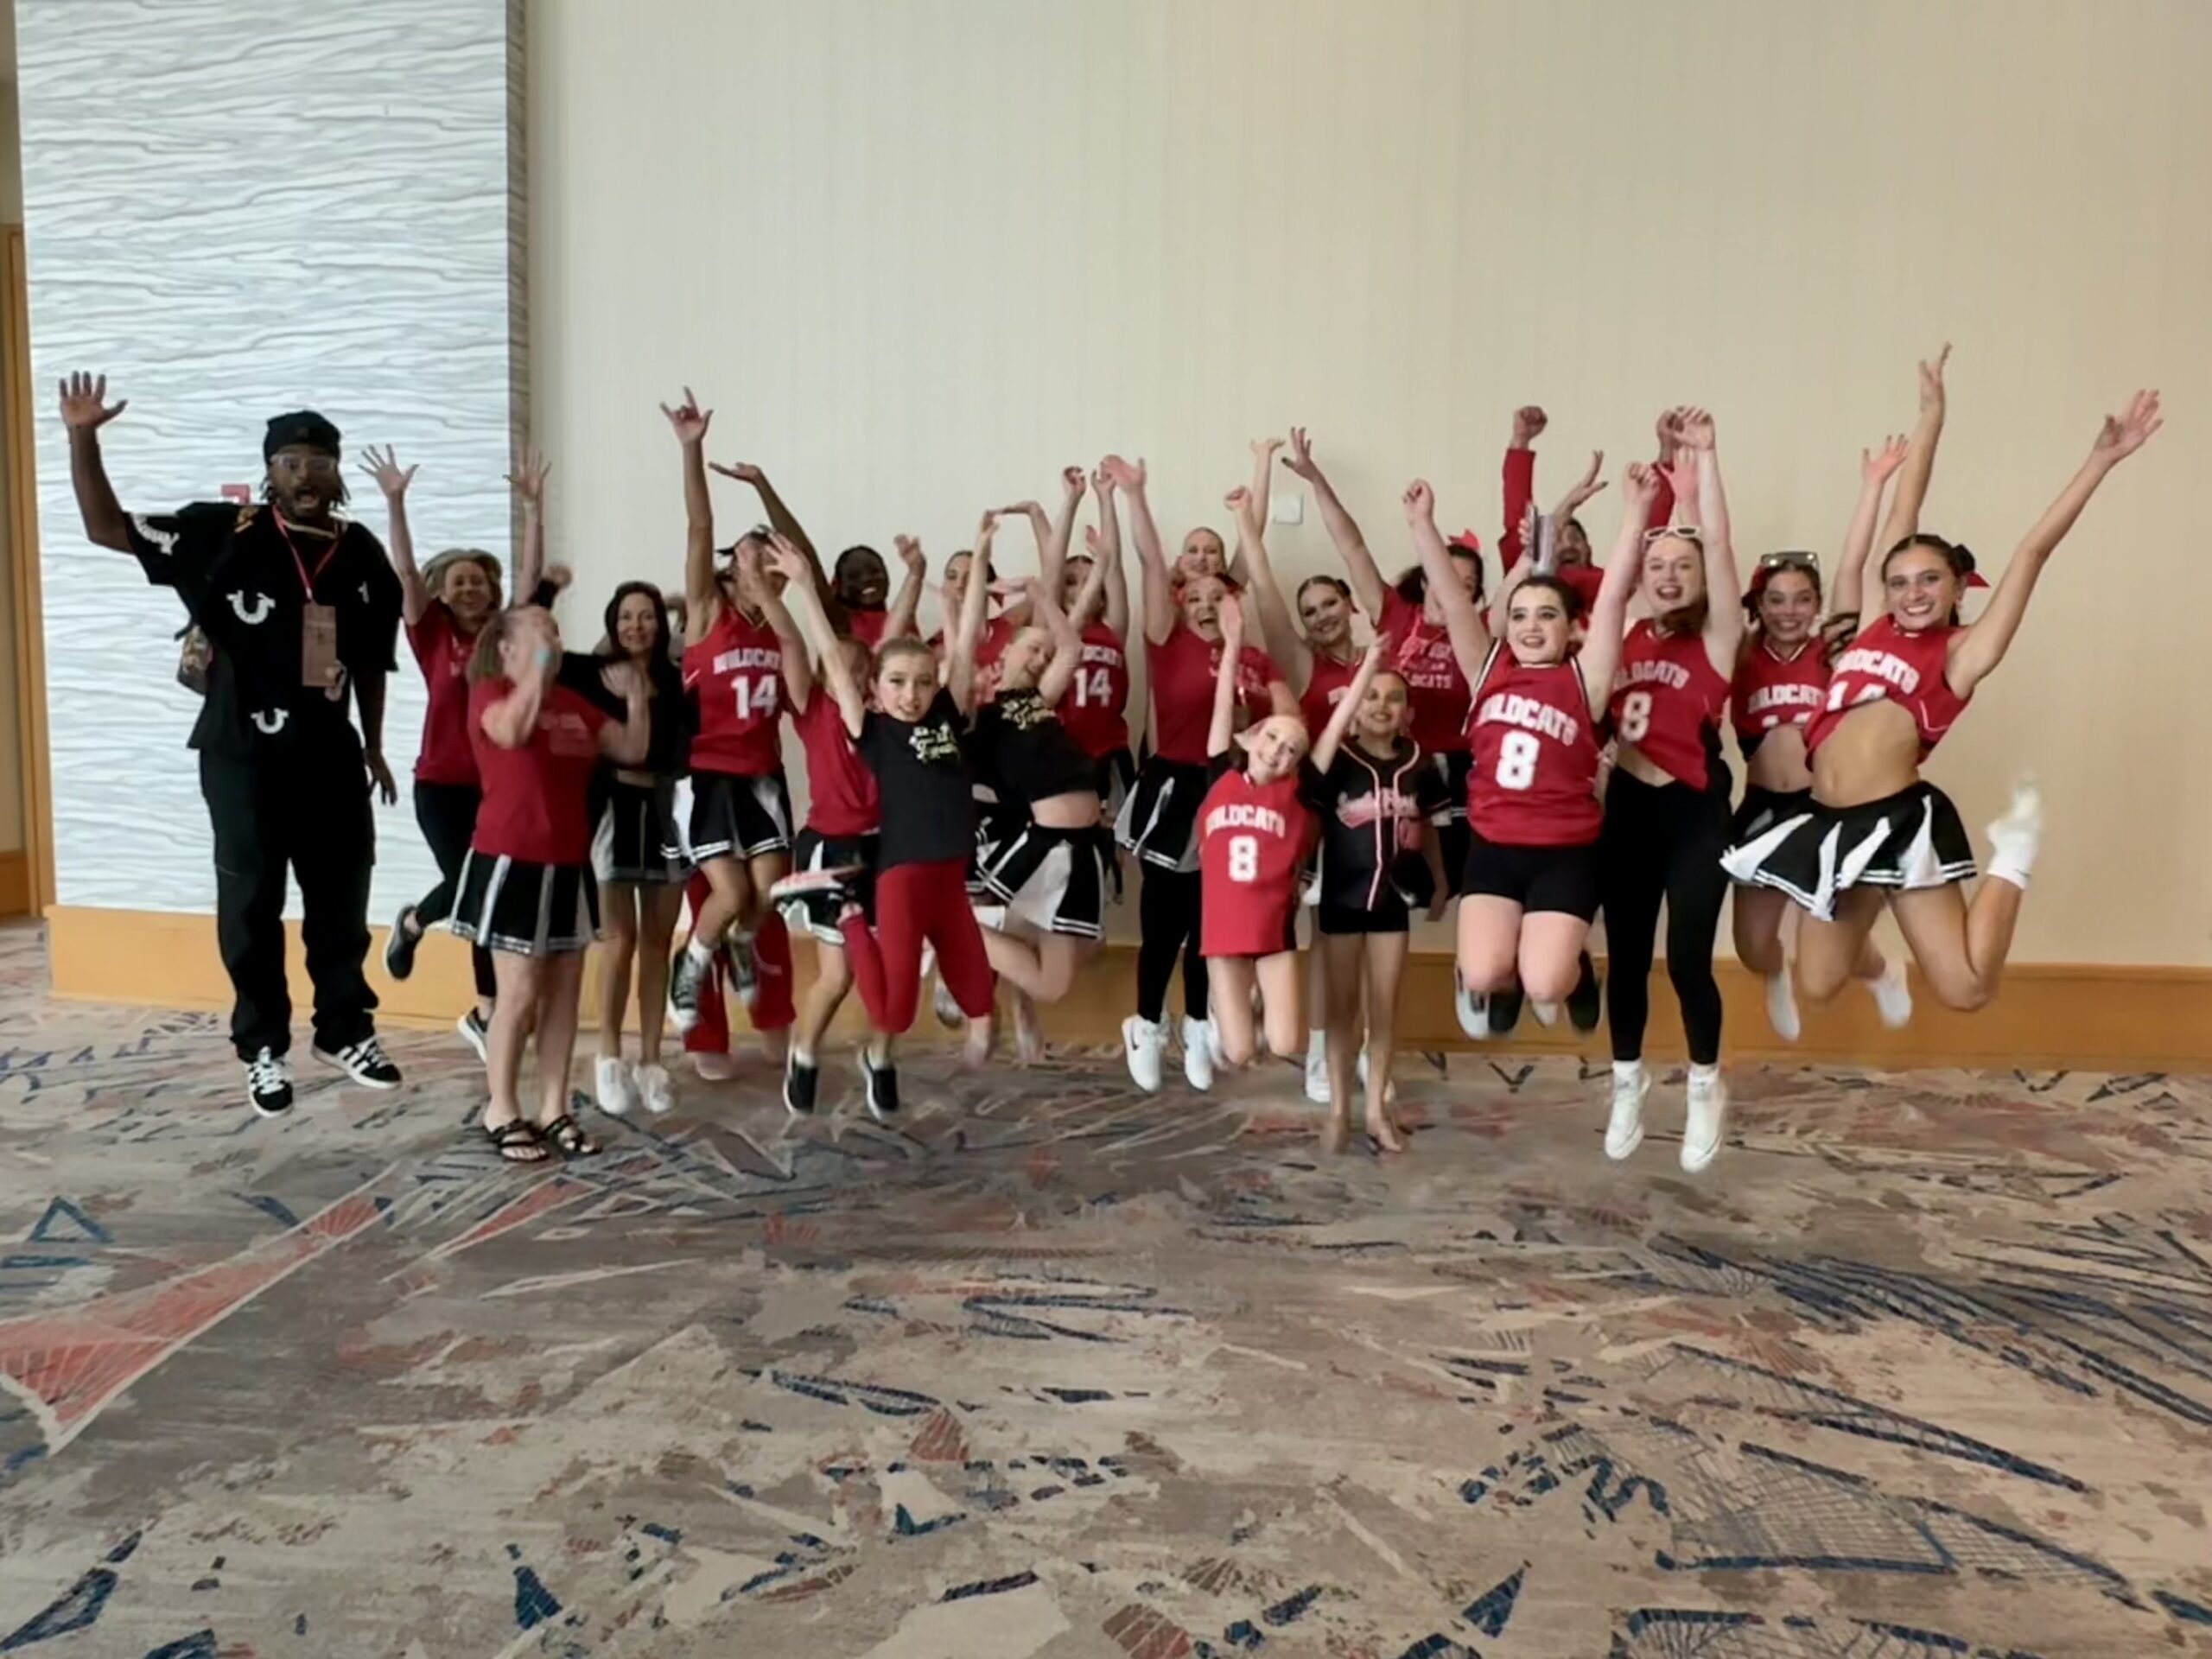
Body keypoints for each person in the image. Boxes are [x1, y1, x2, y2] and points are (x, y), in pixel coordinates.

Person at [1726, 363, 2162, 1018]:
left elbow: (2032, 552)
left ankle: (2014, 855)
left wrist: (2099, 461)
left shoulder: (1961, 654)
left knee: (1966, 990)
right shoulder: (1872, 624)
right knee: (1815, 984)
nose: (1913, 594)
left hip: (1899, 822)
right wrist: (1932, 415)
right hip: (1830, 823)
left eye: (1930, 580)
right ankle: (1874, 903)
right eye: (1900, 581)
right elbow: (1906, 504)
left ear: (1957, 586)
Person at [60, 371, 404, 1116]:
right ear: (270, 471)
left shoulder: (362, 554)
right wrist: (82, 438)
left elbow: (373, 663)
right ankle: (262, 1046)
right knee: (250, 900)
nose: (305, 475)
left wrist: (374, 746)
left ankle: (345, 1029)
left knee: (343, 896)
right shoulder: (221, 533)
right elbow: (105, 527)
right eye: (290, 462)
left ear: (337, 472)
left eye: (319, 462)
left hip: (330, 754)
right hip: (241, 752)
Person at [1281, 427, 1503, 1037]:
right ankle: (1335, 1035)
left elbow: (1527, 573)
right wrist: (1316, 479)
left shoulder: (1479, 633)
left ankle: (1476, 968)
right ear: (1424, 578)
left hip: (1455, 769)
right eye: (1442, 576)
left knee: (1470, 877)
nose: (1451, 589)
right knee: (1366, 892)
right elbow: (1350, 544)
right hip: (1381, 768)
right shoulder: (1395, 614)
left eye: (1465, 584)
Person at [1410, 462, 1636, 1048]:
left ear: (1570, 627)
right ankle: (1500, 977)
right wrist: (1423, 525)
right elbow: (1455, 602)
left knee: (1546, 985)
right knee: (1485, 973)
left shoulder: (1585, 680)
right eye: (1519, 615)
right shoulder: (1489, 670)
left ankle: (1576, 970)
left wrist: (1636, 514)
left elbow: (1614, 597)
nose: (1531, 626)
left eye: (1547, 615)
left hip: (1565, 852)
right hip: (1495, 847)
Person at [1108, 454, 1297, 1094]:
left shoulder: (1255, 657)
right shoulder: (1166, 639)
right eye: (1197, 596)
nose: (1208, 604)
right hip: (1173, 786)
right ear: (1181, 598)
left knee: (1207, 920)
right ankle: (1145, 1022)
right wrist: (1136, 495)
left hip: (1231, 793)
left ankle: (1196, 1021)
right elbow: (1149, 564)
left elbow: (1286, 721)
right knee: (1164, 920)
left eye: (1220, 596)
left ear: (1233, 600)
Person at [810, 524, 1002, 1118]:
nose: (911, 694)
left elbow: (966, 643)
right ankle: (849, 917)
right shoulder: (872, 730)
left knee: (979, 1001)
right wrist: (803, 589)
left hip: (950, 882)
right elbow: (833, 662)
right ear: (874, 690)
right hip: (902, 879)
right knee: (893, 1014)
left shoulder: (947, 712)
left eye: (922, 682)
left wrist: (983, 549)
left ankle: (898, 1047)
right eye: (897, 683)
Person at [366, 444, 548, 1061]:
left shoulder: (505, 637)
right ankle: (428, 939)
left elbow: (531, 584)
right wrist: (396, 502)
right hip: (441, 785)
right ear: (443, 593)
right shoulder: (432, 634)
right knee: (474, 886)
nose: (470, 588)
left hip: (498, 787)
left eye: (478, 580)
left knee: (485, 894)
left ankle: (479, 1006)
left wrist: (534, 509)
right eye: (459, 582)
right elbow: (404, 572)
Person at [1728, 437, 1914, 1040]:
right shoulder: (1738, 654)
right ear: (1759, 603)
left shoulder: (1833, 650)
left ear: (1815, 605)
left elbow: (1853, 568)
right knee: (1752, 945)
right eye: (1776, 600)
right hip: (1762, 806)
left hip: (1823, 809)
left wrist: (1873, 486)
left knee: (1832, 938)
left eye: (1802, 599)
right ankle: (1773, 975)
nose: (1789, 610)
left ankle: (1882, 972)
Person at [1597, 409, 1743, 1173]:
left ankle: (1705, 1086)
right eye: (1658, 566)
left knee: (1686, 960)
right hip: (1627, 807)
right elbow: (1629, 561)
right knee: (1625, 957)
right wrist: (1657, 481)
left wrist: (1706, 461)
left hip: (1693, 811)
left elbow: (1714, 542)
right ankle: (1627, 1083)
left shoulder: (1718, 637)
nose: (1669, 575)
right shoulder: (1621, 629)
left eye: (1682, 567)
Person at [451, 606, 649, 1161]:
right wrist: (537, 668)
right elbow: (511, 732)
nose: (554, 639)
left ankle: (554, 1107)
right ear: (507, 648)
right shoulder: (490, 692)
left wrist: (636, 696)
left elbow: (631, 749)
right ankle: (501, 1108)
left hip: (569, 862)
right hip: (512, 860)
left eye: (556, 632)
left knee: (564, 989)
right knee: (518, 991)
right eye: (540, 631)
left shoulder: (572, 703)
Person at [659, 391, 800, 1054]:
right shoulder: (707, 612)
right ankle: (690, 969)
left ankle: (740, 944)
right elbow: (697, 527)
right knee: (729, 891)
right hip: (709, 773)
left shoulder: (780, 622)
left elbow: (798, 551)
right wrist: (693, 450)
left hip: (763, 774)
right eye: (749, 553)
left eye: (768, 555)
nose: (760, 559)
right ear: (733, 564)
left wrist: (769, 499)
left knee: (769, 894)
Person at [1300, 631, 1446, 1154]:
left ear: (1408, 711)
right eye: (1371, 696)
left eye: (1394, 697)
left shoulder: (1420, 763)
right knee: (1342, 1011)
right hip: (1342, 899)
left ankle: (1377, 1112)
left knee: (1383, 1008)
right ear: (1354, 707)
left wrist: (1440, 882)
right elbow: (1310, 818)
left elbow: (1429, 828)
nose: (1382, 706)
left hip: (1392, 902)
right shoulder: (1337, 759)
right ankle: (1339, 1112)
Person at [967, 561, 1118, 1054]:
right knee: (1002, 923)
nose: (1041, 657)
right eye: (1031, 648)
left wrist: (1039, 591)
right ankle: (950, 935)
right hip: (1041, 844)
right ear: (1003, 652)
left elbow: (1070, 646)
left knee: (1056, 982)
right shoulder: (981, 714)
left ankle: (1003, 988)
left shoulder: (1037, 700)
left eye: (1043, 653)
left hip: (1082, 848)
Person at [762, 539, 887, 1116]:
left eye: (863, 670)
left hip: (882, 848)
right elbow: (795, 639)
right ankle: (804, 1050)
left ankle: (879, 1056)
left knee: (888, 967)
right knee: (837, 976)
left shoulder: (885, 720)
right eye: (842, 668)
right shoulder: (813, 708)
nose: (851, 676)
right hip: (831, 850)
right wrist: (792, 586)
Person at [1197, 594, 1334, 1074]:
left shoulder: (1296, 793)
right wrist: (1233, 642)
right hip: (1222, 930)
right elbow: (1221, 706)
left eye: (1291, 749)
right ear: (1252, 736)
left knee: (1284, 1042)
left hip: (1271, 928)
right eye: (1273, 736)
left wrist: (1365, 675)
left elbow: (1328, 738)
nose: (1279, 749)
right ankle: (1226, 1006)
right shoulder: (1220, 774)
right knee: (1239, 1053)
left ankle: (1254, 994)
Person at [589, 580, 690, 1117]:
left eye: (647, 615)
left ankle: (652, 1061)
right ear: (613, 623)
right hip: (612, 812)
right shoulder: (598, 675)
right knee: (618, 940)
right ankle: (609, 1056)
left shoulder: (677, 676)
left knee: (656, 941)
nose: (637, 626)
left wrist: (679, 610)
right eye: (626, 616)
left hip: (667, 813)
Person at [1027, 467, 1134, 805]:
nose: (1080, 589)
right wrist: (1071, 501)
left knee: (1116, 830)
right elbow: (1051, 567)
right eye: (1071, 582)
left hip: (1111, 750)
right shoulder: (1049, 629)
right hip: (1063, 749)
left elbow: (1113, 567)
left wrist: (1106, 497)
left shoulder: (1112, 628)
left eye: (1089, 582)